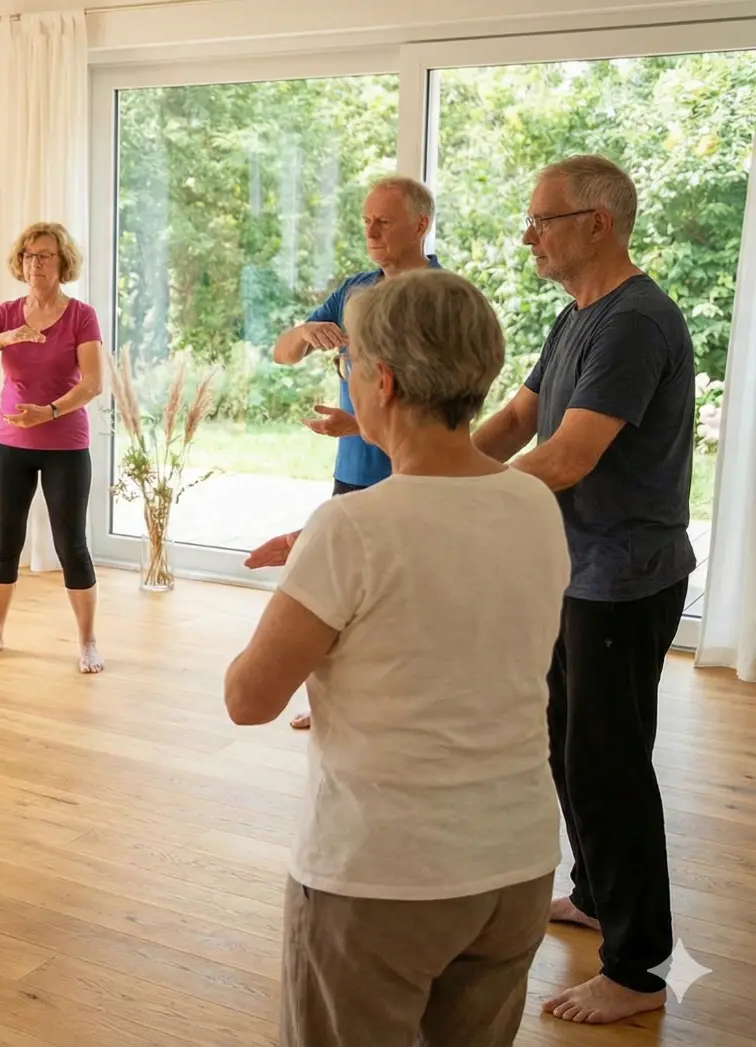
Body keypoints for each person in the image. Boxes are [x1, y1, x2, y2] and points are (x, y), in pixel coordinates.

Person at [224, 269, 567, 1047]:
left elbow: (248, 696)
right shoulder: (536, 505)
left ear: (380, 379)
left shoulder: (351, 528)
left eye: (349, 367)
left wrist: (304, 582)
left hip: (382, 876)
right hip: (515, 866)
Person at [474, 154, 695, 1026]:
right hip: (582, 572)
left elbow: (568, 457)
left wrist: (464, 506)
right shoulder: (577, 317)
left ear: (596, 223)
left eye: (542, 219)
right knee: (571, 746)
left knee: (610, 767)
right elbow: (521, 419)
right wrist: (431, 469)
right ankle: (598, 894)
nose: (529, 235)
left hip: (623, 580)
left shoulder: (636, 321)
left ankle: (639, 969)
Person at [246, 176, 439, 729]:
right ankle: (334, 697)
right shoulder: (355, 289)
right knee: (341, 595)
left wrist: (360, 423)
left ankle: (400, 703)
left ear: (420, 226)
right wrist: (307, 331)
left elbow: (442, 396)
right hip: (353, 470)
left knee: (403, 596)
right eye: (365, 221)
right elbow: (282, 353)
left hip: (413, 472)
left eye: (385, 221)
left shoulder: (441, 296)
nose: (371, 231)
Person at [0, 222, 107, 674]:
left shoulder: (81, 315)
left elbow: (94, 384)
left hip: (64, 444)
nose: (34, 263)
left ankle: (88, 642)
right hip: (10, 445)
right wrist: (3, 338)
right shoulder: (5, 313)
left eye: (44, 255)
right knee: (4, 543)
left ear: (62, 263)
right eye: (28, 255)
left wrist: (51, 411)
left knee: (71, 546)